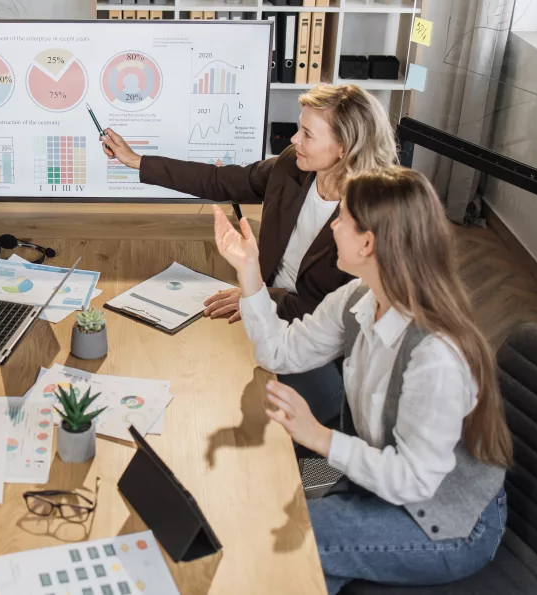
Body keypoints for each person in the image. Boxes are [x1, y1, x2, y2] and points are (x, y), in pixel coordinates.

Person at [212, 167, 512, 593]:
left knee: (297, 534)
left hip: (440, 518)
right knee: (267, 487)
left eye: (341, 219)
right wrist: (249, 273)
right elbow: (278, 351)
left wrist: (319, 437)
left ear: (368, 242)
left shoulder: (435, 356)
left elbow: (413, 481)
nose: (331, 226)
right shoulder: (358, 298)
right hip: (368, 471)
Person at [102, 83, 398, 422]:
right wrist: (137, 161)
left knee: (238, 402)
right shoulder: (293, 167)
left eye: (307, 134)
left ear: (343, 148)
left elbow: (346, 314)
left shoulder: (371, 218)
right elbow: (220, 181)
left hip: (318, 342)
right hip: (260, 304)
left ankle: (313, 461)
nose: (293, 141)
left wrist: (259, 295)